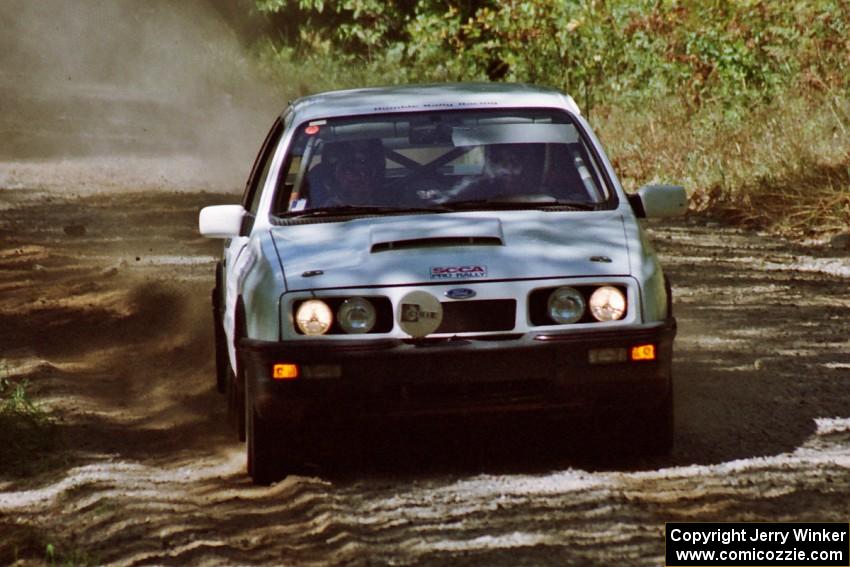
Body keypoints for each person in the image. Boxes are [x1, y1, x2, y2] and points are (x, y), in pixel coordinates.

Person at [308, 140, 385, 207]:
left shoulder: (389, 206)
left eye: (365, 171)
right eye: (349, 170)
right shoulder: (321, 210)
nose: (357, 176)